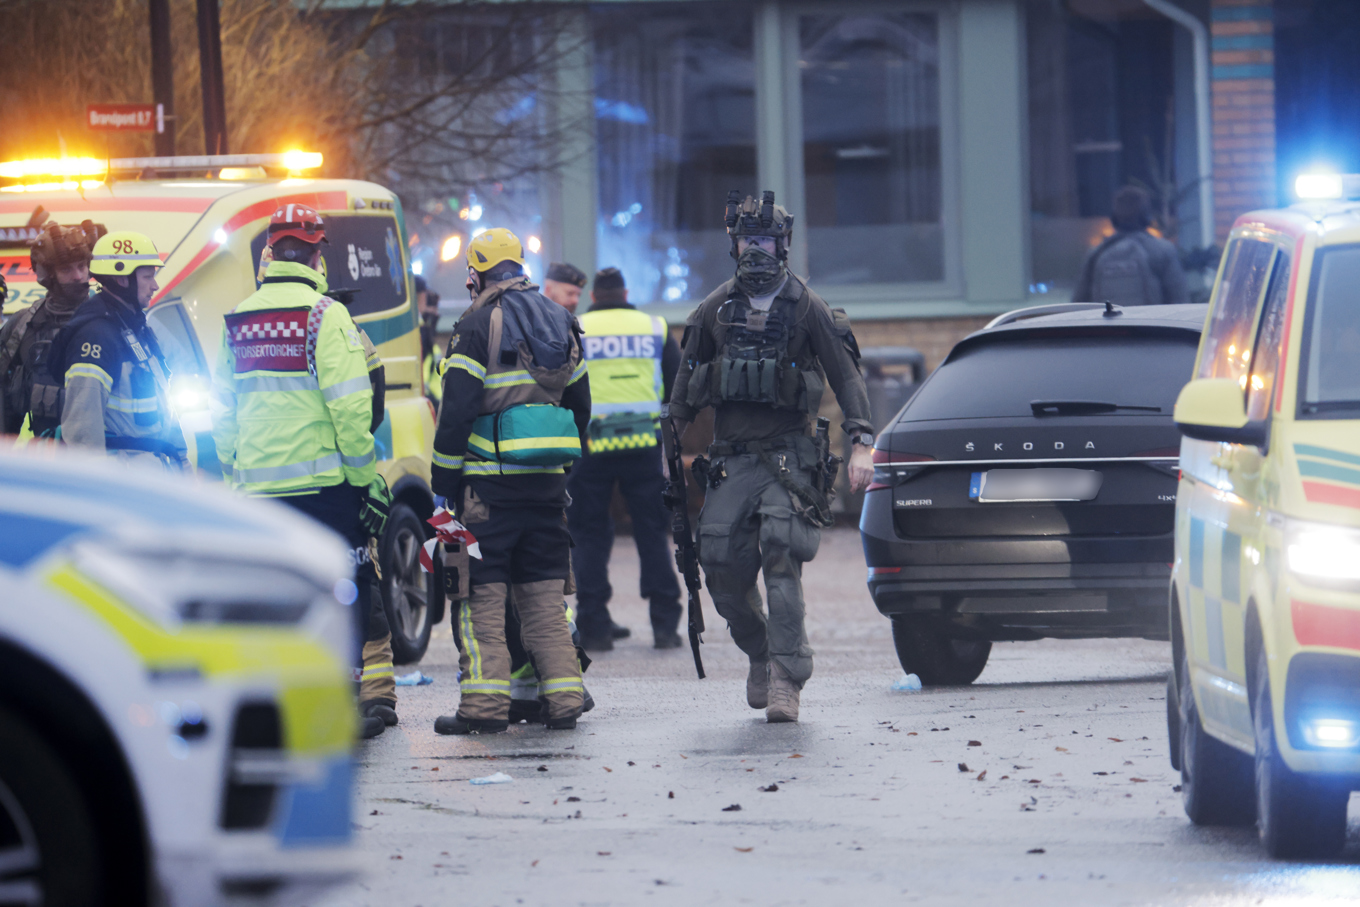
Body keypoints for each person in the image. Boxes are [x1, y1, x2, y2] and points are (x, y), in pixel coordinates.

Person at [668, 191, 874, 723]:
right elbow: (685, 389)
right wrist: (667, 445)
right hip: (731, 458)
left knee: (781, 556)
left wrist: (862, 443)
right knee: (720, 569)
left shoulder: (808, 308)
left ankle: (787, 675)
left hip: (788, 457)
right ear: (733, 246)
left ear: (782, 245)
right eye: (746, 241)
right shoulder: (715, 309)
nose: (754, 251)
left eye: (764, 241)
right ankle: (760, 652)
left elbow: (847, 377)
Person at [210, 204, 395, 740]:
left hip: (259, 492)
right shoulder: (324, 315)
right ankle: (339, 703)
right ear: (317, 255)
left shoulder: (240, 318)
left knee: (275, 599)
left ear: (269, 253)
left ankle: (281, 706)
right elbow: (350, 409)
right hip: (325, 491)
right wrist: (366, 482)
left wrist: (235, 475)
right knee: (347, 590)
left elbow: (223, 412)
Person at [430, 228, 590, 735]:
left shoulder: (477, 323)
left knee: (480, 603)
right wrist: (559, 468)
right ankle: (564, 701)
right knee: (544, 601)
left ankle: (483, 709)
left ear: (476, 273)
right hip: (545, 489)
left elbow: (455, 411)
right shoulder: (562, 319)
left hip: (486, 493)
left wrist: (443, 482)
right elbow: (581, 406)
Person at [567, 266, 684, 651]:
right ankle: (665, 625)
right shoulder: (654, 327)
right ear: (626, 292)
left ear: (595, 296)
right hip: (642, 443)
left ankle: (595, 626)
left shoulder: (576, 326)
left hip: (590, 446)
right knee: (651, 532)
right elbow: (676, 384)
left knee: (589, 535)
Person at [50, 231, 186, 466]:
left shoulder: (136, 329)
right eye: (147, 277)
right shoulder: (95, 338)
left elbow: (164, 409)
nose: (155, 285)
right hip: (125, 483)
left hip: (155, 475)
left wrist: (183, 464)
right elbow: (82, 435)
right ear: (122, 279)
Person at [0, 220, 101, 438]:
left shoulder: (110, 320)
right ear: (47, 274)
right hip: (48, 459)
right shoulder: (22, 326)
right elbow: (5, 402)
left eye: (82, 266)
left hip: (103, 458)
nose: (78, 276)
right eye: (66, 269)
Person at [1073, 186, 1189, 307]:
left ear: (1114, 219)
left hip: (1107, 326)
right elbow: (1180, 300)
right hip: (1149, 325)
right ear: (1146, 217)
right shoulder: (1163, 250)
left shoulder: (1096, 254)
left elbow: (1078, 304)